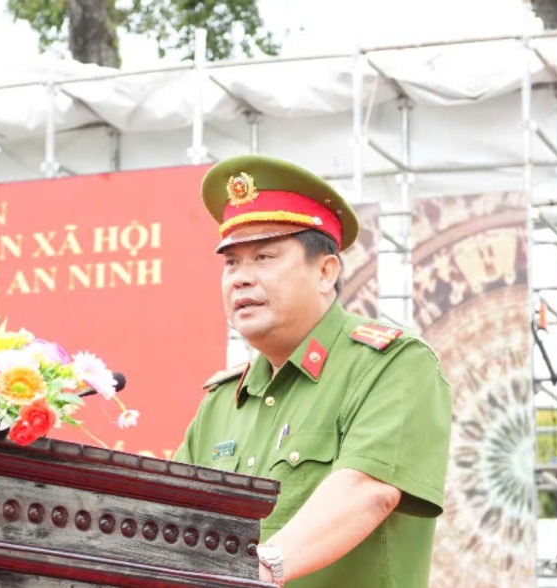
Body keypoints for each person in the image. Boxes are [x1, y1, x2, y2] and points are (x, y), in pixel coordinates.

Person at [173, 155, 452, 588]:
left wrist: (257, 571)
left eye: (264, 256)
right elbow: (172, 524)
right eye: (231, 263)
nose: (241, 278)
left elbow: (367, 491)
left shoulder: (392, 364)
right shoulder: (220, 402)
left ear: (325, 272)